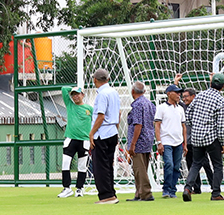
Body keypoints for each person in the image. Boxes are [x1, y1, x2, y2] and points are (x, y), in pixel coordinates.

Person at [184, 75, 224, 202]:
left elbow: (188, 113)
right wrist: (222, 142)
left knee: (196, 164)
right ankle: (216, 193)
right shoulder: (220, 100)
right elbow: (221, 125)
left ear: (210, 84)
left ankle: (187, 188)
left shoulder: (200, 96)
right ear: (223, 86)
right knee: (217, 165)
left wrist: (194, 126)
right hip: (212, 137)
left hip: (196, 136)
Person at [82, 68, 121, 203]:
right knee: (109, 165)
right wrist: (115, 129)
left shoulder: (102, 95)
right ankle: (111, 193)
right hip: (112, 132)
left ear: (95, 80)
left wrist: (92, 133)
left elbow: (101, 116)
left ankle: (106, 195)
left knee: (100, 166)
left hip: (102, 134)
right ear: (108, 79)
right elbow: (118, 113)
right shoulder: (114, 92)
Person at [57, 84, 93, 197]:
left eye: (77, 94)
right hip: (71, 139)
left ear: (83, 95)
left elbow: (96, 122)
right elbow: (64, 89)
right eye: (73, 94)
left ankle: (79, 189)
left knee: (82, 166)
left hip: (84, 141)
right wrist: (74, 88)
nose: (75, 96)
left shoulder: (89, 109)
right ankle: (67, 188)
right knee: (65, 163)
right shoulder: (70, 105)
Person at [125, 81, 156, 201]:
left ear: (133, 91)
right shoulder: (149, 104)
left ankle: (146, 193)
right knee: (142, 167)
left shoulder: (137, 105)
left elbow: (138, 125)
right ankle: (139, 193)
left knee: (139, 169)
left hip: (139, 140)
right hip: (148, 139)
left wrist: (132, 144)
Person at [155, 84, 187, 198]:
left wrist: (185, 144)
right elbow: (157, 125)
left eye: (179, 93)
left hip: (178, 142)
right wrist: (159, 142)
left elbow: (183, 127)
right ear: (169, 94)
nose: (179, 95)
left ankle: (173, 189)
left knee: (176, 167)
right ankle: (166, 189)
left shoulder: (180, 109)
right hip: (166, 141)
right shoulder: (161, 108)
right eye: (176, 92)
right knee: (169, 164)